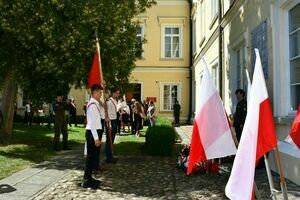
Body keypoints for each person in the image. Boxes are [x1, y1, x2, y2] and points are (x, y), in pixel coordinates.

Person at [82, 84, 103, 189]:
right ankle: (86, 179)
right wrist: (96, 138)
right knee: (90, 157)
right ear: (94, 93)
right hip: (92, 133)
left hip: (93, 132)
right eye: (100, 92)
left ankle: (89, 177)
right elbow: (92, 123)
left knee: (92, 156)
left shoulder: (95, 103)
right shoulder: (92, 105)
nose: (101, 94)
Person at [105, 88, 120, 163]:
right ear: (113, 93)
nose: (118, 94)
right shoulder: (109, 102)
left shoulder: (115, 101)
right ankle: (108, 157)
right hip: (110, 121)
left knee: (112, 139)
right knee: (109, 140)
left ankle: (111, 155)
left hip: (114, 120)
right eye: (117, 93)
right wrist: (109, 125)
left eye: (118, 93)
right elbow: (107, 114)